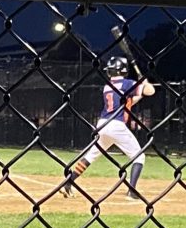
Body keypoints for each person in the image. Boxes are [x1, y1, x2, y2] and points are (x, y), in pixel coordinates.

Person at [60, 56, 155, 200]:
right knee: (139, 156)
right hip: (117, 126)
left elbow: (127, 102)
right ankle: (132, 191)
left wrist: (140, 91)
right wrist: (144, 83)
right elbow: (151, 91)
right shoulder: (127, 83)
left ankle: (68, 183)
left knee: (90, 156)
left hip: (103, 125)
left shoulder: (108, 86)